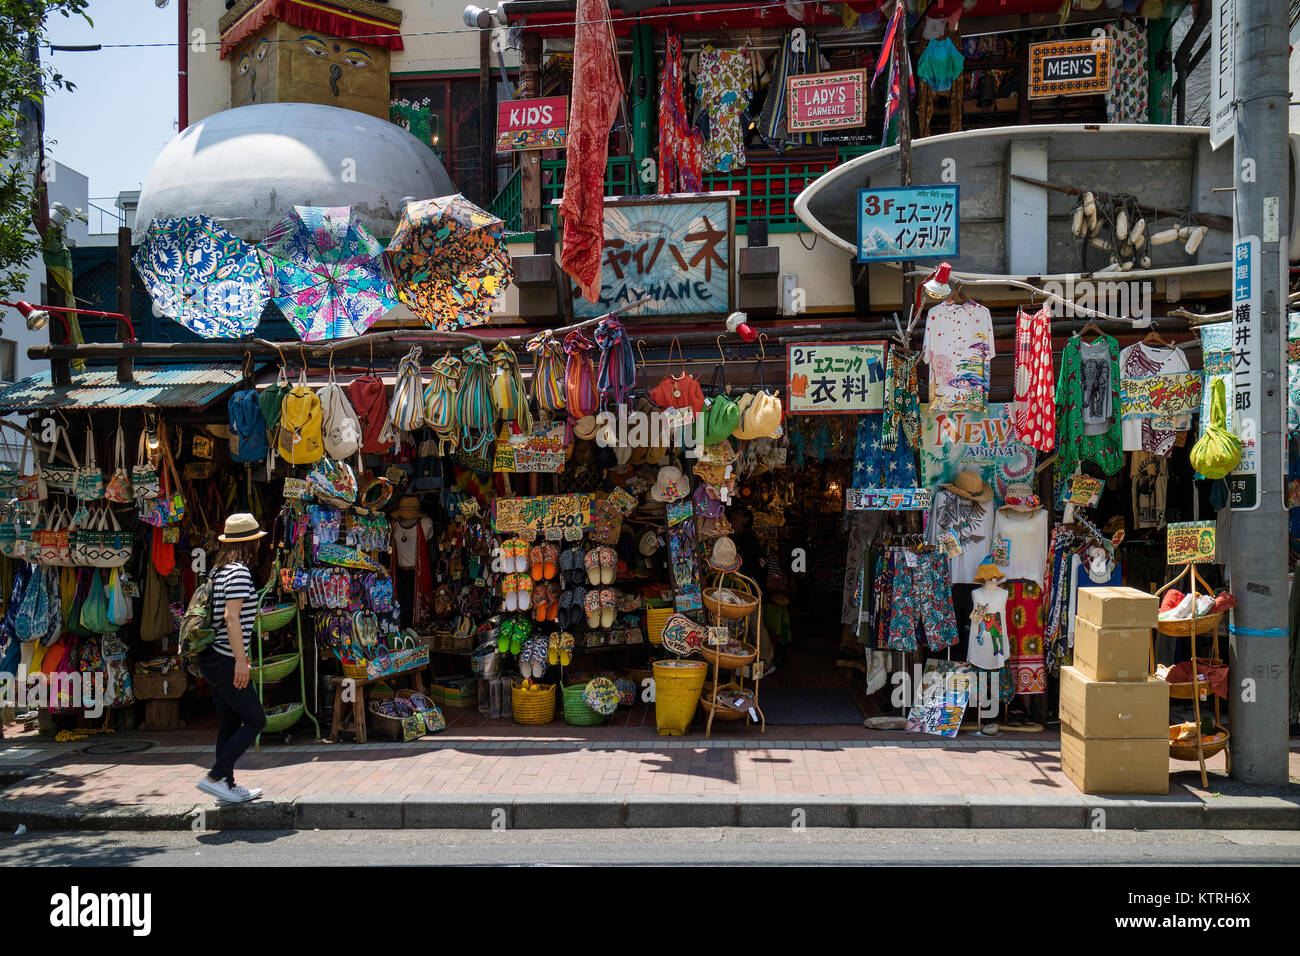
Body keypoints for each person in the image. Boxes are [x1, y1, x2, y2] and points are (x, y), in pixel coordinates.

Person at [195, 513, 269, 804]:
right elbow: (231, 617)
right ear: (251, 543)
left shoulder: (220, 569)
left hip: (213, 657)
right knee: (255, 720)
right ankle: (214, 777)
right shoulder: (238, 572)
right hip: (225, 658)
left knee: (229, 722)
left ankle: (224, 786)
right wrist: (241, 660)